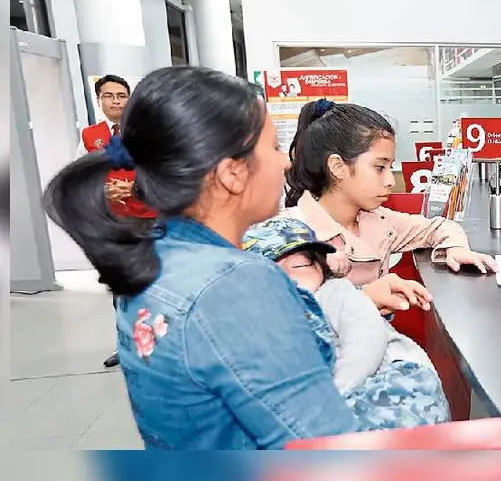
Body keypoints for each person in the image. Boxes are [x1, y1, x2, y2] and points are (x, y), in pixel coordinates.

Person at [45, 66, 383, 449]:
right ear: (232, 174)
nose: (285, 162)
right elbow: (326, 447)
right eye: (273, 148)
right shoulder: (235, 284)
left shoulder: (150, 254)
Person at [283, 99, 497, 313]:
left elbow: (438, 226)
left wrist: (456, 248)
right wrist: (365, 298)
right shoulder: (290, 236)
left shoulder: (379, 221)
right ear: (338, 167)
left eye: (390, 167)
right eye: (379, 167)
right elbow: (290, 317)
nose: (390, 181)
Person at [243, 217, 450, 429]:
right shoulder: (262, 319)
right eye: (268, 269)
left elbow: (366, 341)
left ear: (321, 269)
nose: (288, 277)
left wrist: (333, 395)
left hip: (393, 384)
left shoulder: (333, 292)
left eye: (299, 264)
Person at [77, 74, 156, 369]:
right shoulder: (89, 136)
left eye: (121, 95)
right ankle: (125, 347)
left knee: (152, 283)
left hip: (148, 220)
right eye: (108, 96)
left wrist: (135, 187)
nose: (115, 101)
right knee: (120, 286)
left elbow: (164, 172)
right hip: (111, 222)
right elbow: (79, 175)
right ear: (99, 101)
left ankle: (158, 344)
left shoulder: (148, 134)